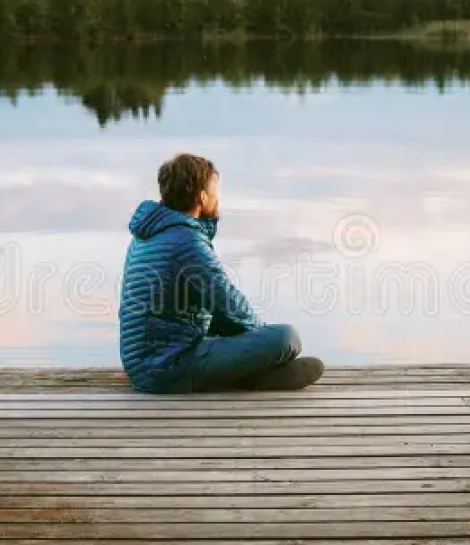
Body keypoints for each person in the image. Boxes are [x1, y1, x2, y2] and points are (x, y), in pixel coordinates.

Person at [118, 153, 324, 394]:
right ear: (201, 197)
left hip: (144, 363)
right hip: (167, 369)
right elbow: (230, 304)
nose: (217, 198)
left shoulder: (148, 235)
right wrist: (265, 345)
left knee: (224, 323)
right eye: (214, 191)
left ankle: (244, 372)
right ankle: (251, 378)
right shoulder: (186, 241)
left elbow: (218, 310)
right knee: (287, 338)